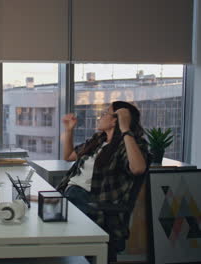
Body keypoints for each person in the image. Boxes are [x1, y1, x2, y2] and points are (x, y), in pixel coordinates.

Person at [57, 101, 150, 243]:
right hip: (71, 194)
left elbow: (138, 168)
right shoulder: (98, 140)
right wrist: (69, 130)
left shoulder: (131, 145)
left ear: (115, 121)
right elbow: (68, 156)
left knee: (49, 225)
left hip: (92, 204)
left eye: (105, 113)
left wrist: (125, 129)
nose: (100, 117)